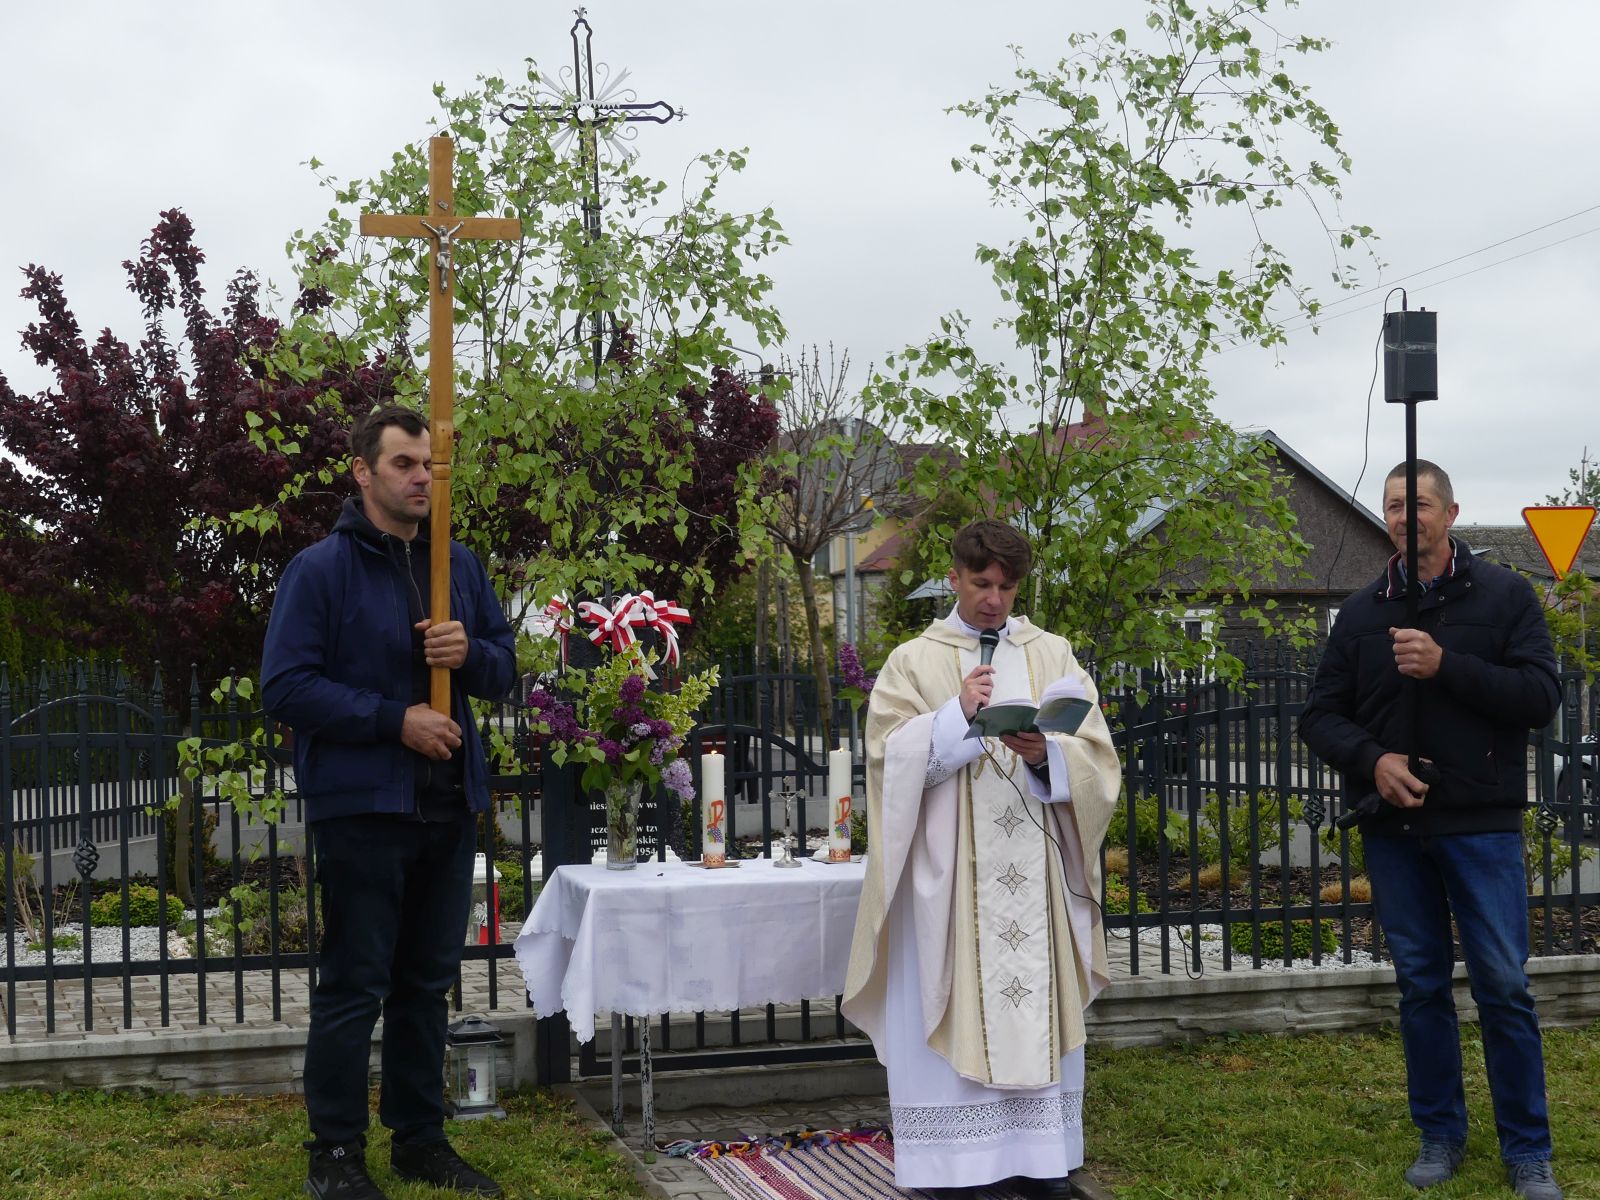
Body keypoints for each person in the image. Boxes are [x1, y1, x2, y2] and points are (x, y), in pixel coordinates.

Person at [263, 404, 516, 1200]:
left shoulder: (458, 566)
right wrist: (393, 720)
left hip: (447, 803)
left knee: (427, 983)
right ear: (362, 471)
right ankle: (335, 1153)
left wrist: (468, 651)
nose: (419, 478)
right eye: (403, 463)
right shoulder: (321, 571)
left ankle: (419, 1139)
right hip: (364, 809)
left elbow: (504, 668)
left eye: (428, 465)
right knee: (356, 983)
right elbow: (287, 686)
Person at [1300, 461, 1563, 1200]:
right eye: (1392, 505)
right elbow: (1320, 716)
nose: (1403, 516)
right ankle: (1440, 1134)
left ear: (1450, 512)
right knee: (1420, 986)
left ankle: (1528, 1149)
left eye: (1418, 503)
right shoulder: (1361, 614)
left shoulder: (1505, 597)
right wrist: (1373, 761)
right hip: (1396, 828)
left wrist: (1447, 664)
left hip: (1480, 825)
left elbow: (1539, 696)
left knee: (1504, 986)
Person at [842, 520, 1121, 1200]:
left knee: (1036, 1010)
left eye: (1007, 587)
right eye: (982, 584)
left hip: (1037, 872)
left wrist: (1048, 754)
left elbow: (1098, 756)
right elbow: (886, 761)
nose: (995, 599)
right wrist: (954, 716)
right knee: (948, 1001)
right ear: (955, 578)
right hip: (948, 879)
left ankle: (1041, 1160)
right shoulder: (914, 660)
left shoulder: (1052, 653)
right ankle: (952, 1168)